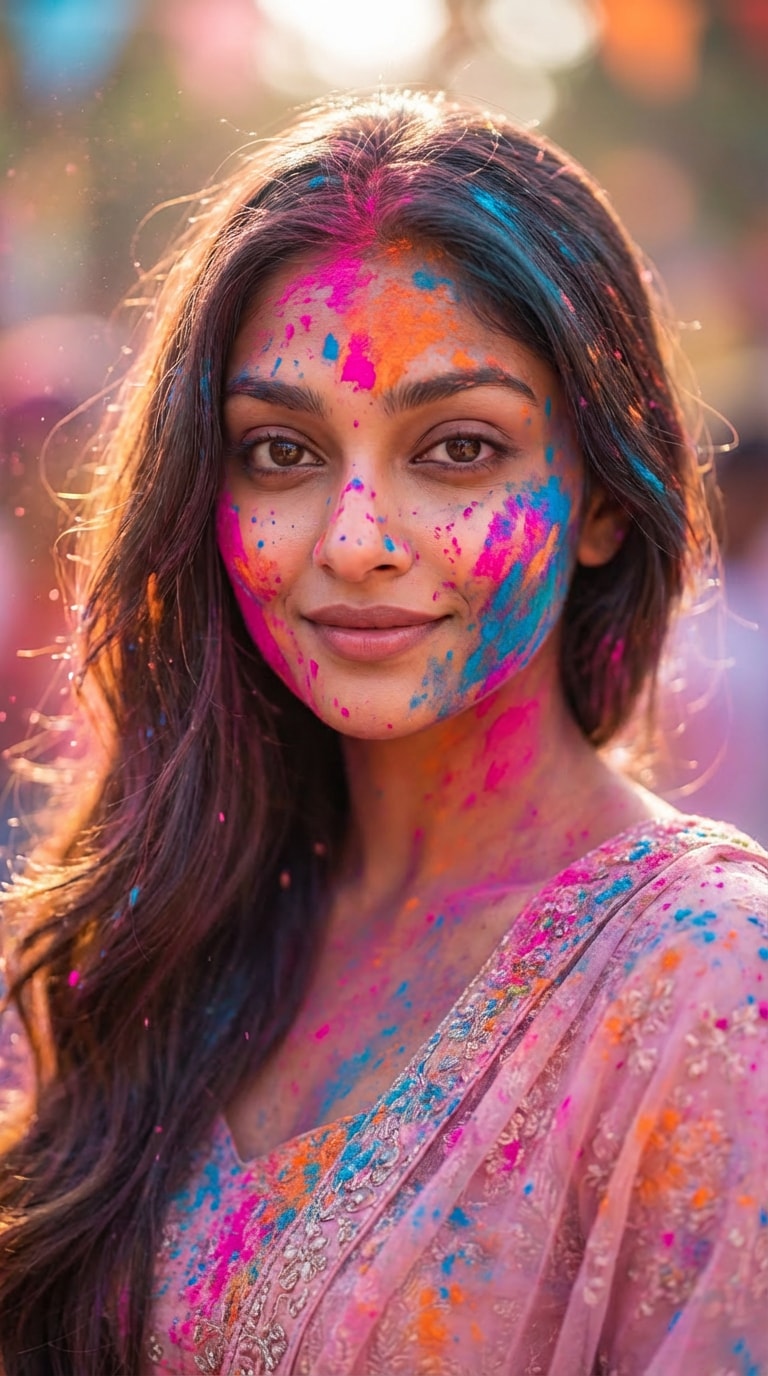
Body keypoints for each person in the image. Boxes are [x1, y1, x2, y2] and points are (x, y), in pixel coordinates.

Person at [1, 90, 767, 1376]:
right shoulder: (158, 924)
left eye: (458, 446)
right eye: (282, 450)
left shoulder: (708, 984)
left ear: (601, 502)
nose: (353, 540)